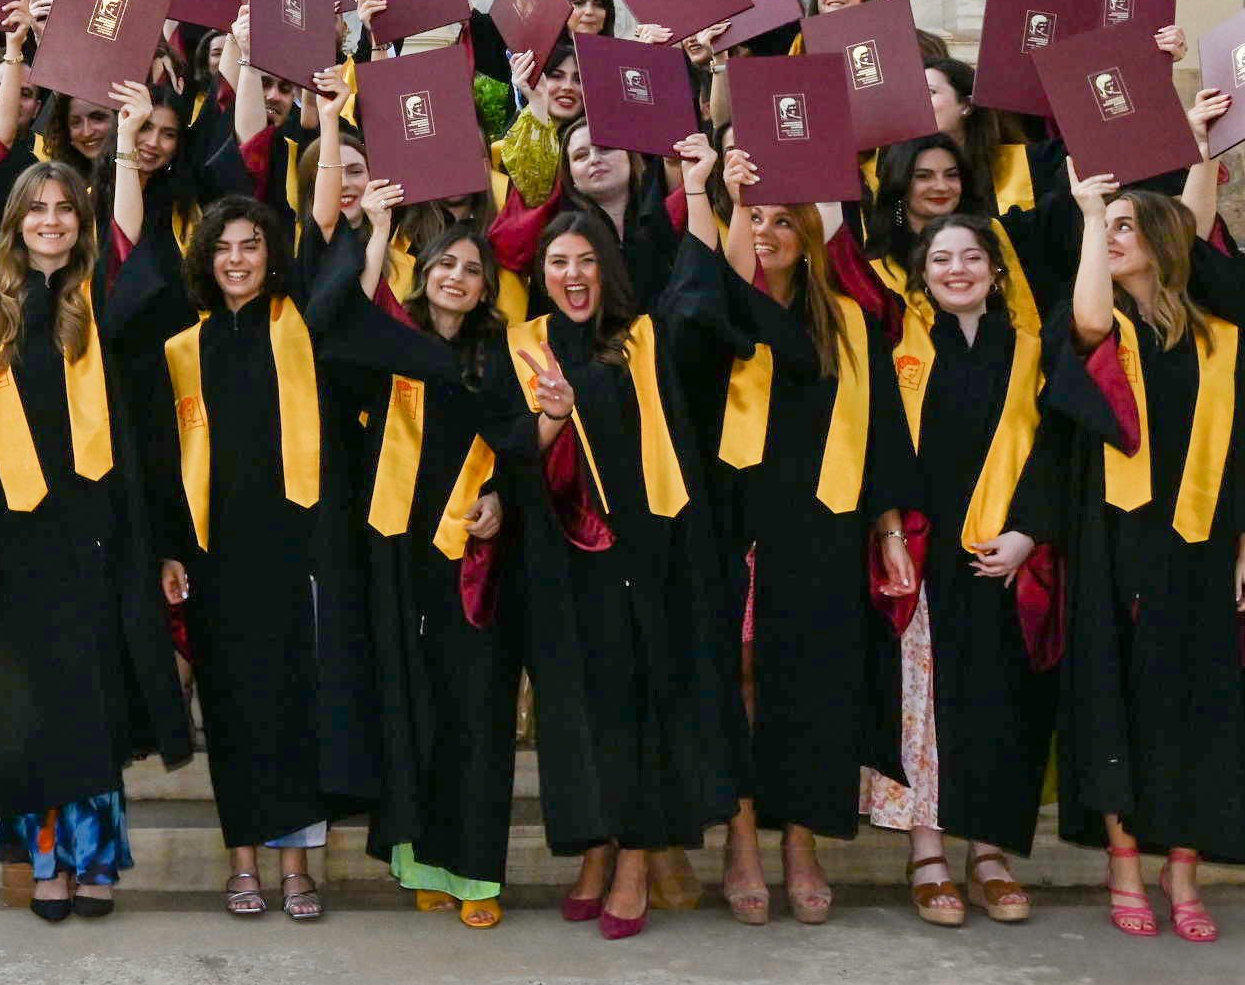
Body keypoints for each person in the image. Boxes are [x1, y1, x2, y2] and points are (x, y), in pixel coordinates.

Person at [0, 160, 192, 921]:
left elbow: (152, 429)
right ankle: (46, 861)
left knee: (93, 701)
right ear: (15, 222)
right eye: (37, 208)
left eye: (64, 208)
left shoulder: (108, 306)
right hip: (16, 536)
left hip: (100, 533)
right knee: (28, 706)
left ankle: (95, 861)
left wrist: (164, 543)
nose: (51, 220)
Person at [1047, 158, 1245, 944]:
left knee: (1197, 704)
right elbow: (1086, 322)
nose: (1113, 238)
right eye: (1107, 228)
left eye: (1126, 227)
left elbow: (1244, 449)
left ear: (1163, 242)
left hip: (1200, 544)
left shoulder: (1218, 340)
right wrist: (1090, 215)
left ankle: (1182, 870)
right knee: (1114, 694)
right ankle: (1122, 864)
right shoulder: (1100, 326)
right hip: (1113, 536)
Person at [511, 159, 736, 939]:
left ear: (608, 270)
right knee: (576, 713)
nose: (573, 275)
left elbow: (701, 297)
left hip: (642, 557)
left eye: (586, 261)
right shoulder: (524, 346)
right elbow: (506, 450)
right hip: (559, 561)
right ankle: (595, 847)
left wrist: (697, 188)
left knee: (641, 707)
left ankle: (635, 857)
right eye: (558, 262)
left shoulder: (644, 341)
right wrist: (548, 418)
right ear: (541, 274)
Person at [313, 191, 550, 927]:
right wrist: (378, 228)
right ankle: (419, 862)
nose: (456, 277)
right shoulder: (391, 342)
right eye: (445, 263)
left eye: (472, 269)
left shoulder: (502, 358)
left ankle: (476, 875)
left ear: (487, 288)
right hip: (394, 551)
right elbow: (333, 331)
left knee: (475, 707)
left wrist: (502, 500)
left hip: (472, 556)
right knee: (407, 704)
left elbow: (521, 449)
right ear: (424, 274)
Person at [707, 150, 921, 925]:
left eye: (780, 220)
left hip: (820, 524)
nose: (766, 231)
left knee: (811, 684)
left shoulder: (848, 323)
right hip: (731, 521)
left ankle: (801, 843)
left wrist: (890, 530)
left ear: (808, 235)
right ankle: (740, 842)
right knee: (736, 678)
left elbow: (884, 431)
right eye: (752, 216)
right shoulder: (717, 312)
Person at [122, 195, 346, 920]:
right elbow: (164, 463)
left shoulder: (302, 330)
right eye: (222, 247)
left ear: (271, 254)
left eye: (250, 244)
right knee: (231, 709)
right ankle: (242, 861)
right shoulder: (183, 350)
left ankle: (296, 868)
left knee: (296, 706)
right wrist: (169, 551)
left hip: (296, 547)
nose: (237, 259)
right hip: (214, 557)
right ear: (205, 260)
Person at [868, 213, 1058, 927]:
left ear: (997, 271)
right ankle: (927, 852)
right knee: (925, 700)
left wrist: (1027, 533)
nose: (957, 270)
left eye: (972, 257)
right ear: (922, 275)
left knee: (1001, 700)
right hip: (923, 552)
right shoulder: (902, 351)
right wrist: (891, 532)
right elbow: (880, 444)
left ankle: (989, 851)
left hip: (1004, 555)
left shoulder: (1032, 349)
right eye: (941, 259)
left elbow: (1056, 449)